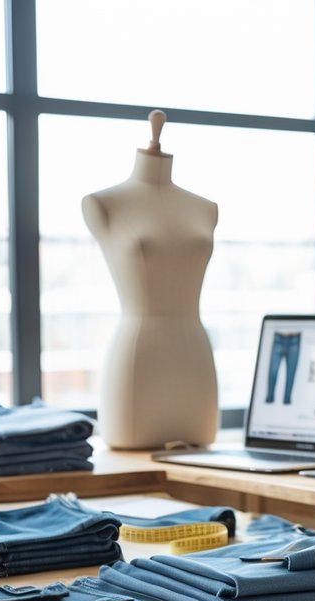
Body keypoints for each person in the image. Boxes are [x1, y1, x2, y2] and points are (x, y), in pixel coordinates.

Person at [82, 110, 219, 449]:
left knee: (201, 454)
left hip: (194, 358)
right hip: (137, 361)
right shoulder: (103, 204)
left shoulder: (206, 208)